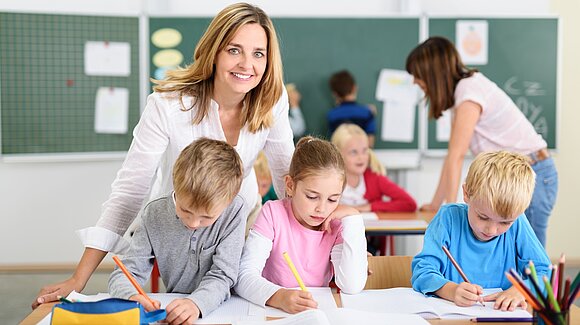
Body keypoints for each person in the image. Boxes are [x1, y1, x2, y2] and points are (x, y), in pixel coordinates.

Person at [33, 2, 294, 309]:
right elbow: (130, 191)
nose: (246, 64)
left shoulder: (271, 100)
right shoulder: (169, 104)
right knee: (181, 301)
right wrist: (80, 278)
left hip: (239, 217)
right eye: (234, 50)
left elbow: (286, 177)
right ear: (214, 51)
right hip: (176, 217)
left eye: (258, 53)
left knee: (240, 297)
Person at [406, 36, 557, 247]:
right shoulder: (463, 94)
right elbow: (452, 156)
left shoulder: (469, 91)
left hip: (532, 175)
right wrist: (435, 204)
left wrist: (450, 212)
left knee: (528, 257)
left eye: (417, 75)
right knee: (514, 257)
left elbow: (456, 157)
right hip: (517, 176)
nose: (415, 81)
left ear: (432, 73)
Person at [109, 138, 245, 324]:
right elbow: (125, 273)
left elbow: (223, 274)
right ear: (175, 185)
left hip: (227, 311)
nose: (194, 223)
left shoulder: (234, 210)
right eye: (185, 210)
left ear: (229, 200)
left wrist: (196, 303)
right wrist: (131, 297)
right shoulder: (154, 214)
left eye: (206, 217)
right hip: (176, 312)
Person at [234, 136, 367, 314]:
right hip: (271, 313)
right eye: (312, 197)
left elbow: (352, 285)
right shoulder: (273, 213)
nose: (321, 209)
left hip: (315, 314)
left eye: (333, 199)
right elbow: (244, 276)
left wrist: (354, 219)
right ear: (290, 185)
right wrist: (279, 296)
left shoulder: (336, 224)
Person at [411, 151, 551, 311]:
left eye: (505, 222)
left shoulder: (518, 223)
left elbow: (545, 273)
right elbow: (422, 271)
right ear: (466, 193)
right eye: (483, 217)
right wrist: (451, 290)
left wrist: (521, 290)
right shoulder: (448, 218)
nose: (491, 230)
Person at [331, 123, 417, 213]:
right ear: (338, 154)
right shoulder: (328, 181)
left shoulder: (375, 178)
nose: (361, 157)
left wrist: (369, 207)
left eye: (364, 151)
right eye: (353, 152)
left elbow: (410, 204)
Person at [327, 70, 376, 146]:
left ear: (335, 94)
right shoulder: (367, 112)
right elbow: (370, 143)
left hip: (341, 155)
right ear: (355, 88)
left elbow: (334, 142)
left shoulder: (332, 115)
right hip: (362, 155)